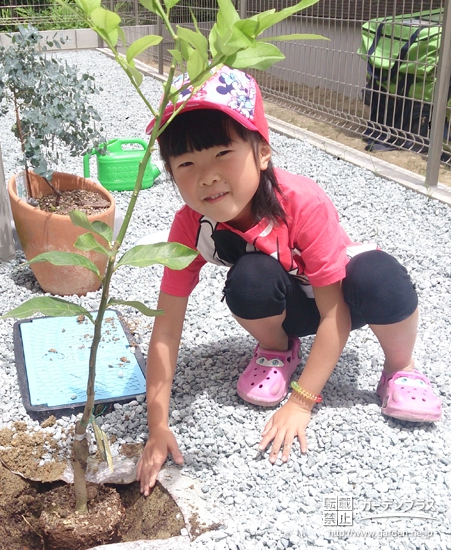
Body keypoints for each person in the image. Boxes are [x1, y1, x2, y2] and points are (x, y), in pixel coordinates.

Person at [135, 65, 442, 496]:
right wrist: (158, 425)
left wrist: (301, 401)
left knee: (381, 277)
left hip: (339, 298)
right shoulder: (190, 225)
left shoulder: (300, 201)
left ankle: (400, 368)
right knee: (250, 279)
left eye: (223, 153)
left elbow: (334, 313)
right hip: (289, 304)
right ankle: (277, 350)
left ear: (262, 152)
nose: (206, 175)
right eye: (186, 162)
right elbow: (166, 327)